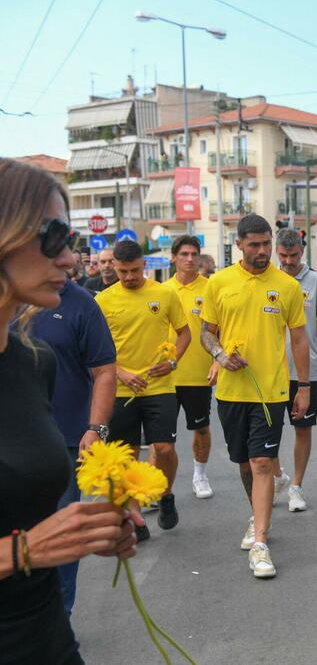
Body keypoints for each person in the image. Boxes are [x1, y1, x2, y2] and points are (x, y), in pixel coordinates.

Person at [0, 157, 139, 664]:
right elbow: (32, 540)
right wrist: (24, 550)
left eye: (71, 241)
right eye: (53, 237)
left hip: (48, 638)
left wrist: (86, 528)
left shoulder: (34, 362)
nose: (68, 259)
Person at [199, 214, 309, 578]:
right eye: (255, 245)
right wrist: (220, 356)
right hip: (232, 392)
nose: (263, 251)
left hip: (271, 391)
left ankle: (260, 542)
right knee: (245, 463)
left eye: (267, 244)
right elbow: (206, 332)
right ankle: (256, 515)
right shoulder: (219, 282)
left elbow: (298, 339)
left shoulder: (287, 286)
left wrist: (303, 387)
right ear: (239, 245)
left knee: (262, 462)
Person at [30, 268, 116, 617]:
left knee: (63, 533)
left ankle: (59, 617)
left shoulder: (81, 303)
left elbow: (105, 370)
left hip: (65, 439)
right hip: (12, 439)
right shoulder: (10, 299)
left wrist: (96, 428)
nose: (67, 259)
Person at [97, 240, 191, 541]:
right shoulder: (103, 301)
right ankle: (136, 518)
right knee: (127, 457)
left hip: (159, 387)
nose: (129, 277)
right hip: (120, 391)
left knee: (164, 449)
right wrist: (121, 373)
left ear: (144, 265)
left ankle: (165, 494)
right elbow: (97, 351)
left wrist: (172, 361)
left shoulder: (164, 294)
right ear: (114, 267)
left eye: (135, 271)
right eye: (123, 271)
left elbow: (185, 334)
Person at [274, 228, 317, 512]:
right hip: (270, 370)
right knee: (267, 431)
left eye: (293, 255)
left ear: (302, 251)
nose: (288, 261)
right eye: (283, 256)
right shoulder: (269, 279)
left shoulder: (316, 280)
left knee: (302, 429)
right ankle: (278, 476)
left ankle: (296, 486)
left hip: (305, 371)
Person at [165, 236, 217, 499]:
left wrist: (218, 360)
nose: (189, 259)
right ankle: (160, 487)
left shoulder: (210, 288)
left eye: (194, 254)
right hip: (165, 377)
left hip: (198, 374)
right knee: (162, 439)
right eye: (184, 254)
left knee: (202, 428)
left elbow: (221, 329)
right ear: (173, 257)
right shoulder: (161, 290)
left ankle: (200, 475)